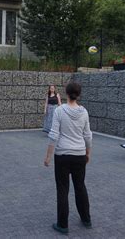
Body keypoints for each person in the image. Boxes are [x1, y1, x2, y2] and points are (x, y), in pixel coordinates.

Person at [44, 83, 92, 234]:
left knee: (63, 190)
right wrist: (87, 153)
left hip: (62, 156)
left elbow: (54, 135)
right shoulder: (84, 112)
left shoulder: (60, 111)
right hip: (79, 155)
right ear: (79, 94)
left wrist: (48, 157)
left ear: (66, 93)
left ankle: (63, 225)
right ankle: (86, 219)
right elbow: (88, 135)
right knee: (80, 187)